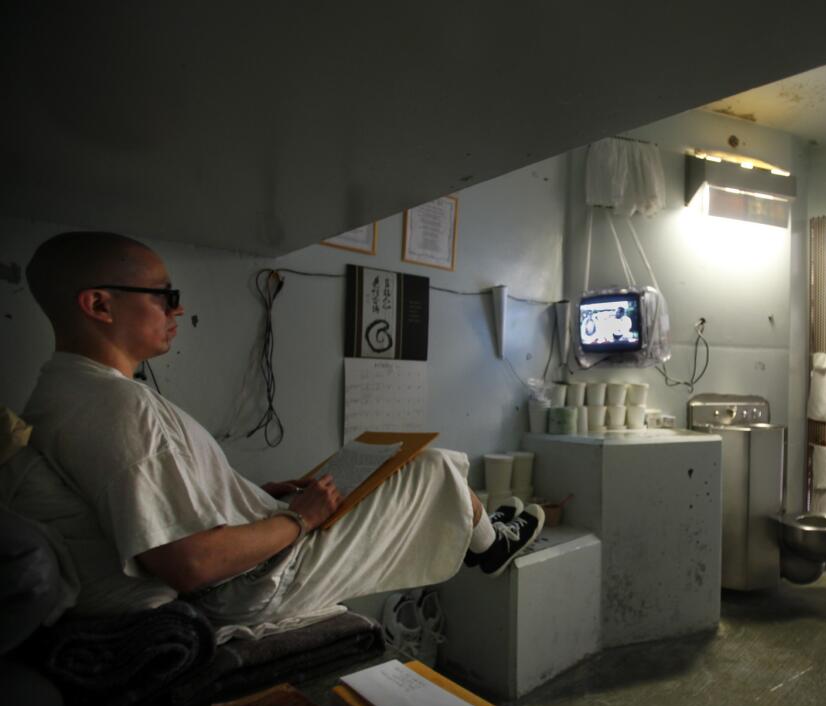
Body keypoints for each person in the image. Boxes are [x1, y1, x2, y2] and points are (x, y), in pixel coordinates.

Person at [15, 231, 544, 631]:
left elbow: (146, 499)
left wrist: (248, 496)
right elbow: (188, 561)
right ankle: (490, 544)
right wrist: (299, 518)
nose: (179, 308)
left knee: (373, 463)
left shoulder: (58, 396)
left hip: (248, 558)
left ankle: (486, 536)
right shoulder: (116, 406)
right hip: (250, 588)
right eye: (163, 295)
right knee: (433, 465)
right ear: (100, 304)